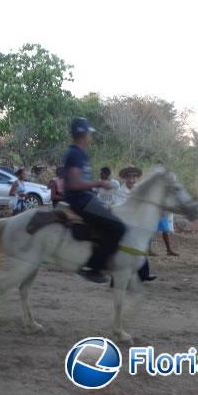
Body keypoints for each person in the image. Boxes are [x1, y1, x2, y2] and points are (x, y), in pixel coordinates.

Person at [64, 117, 126, 283]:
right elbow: (75, 183)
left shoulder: (79, 154)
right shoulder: (76, 154)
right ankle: (93, 267)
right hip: (81, 201)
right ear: (84, 135)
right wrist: (99, 183)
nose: (90, 137)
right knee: (119, 228)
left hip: (86, 198)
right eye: (89, 134)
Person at [116, 166, 156, 282]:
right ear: (125, 178)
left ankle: (143, 274)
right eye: (129, 176)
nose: (132, 179)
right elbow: (120, 208)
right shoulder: (120, 191)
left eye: (134, 176)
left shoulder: (140, 189)